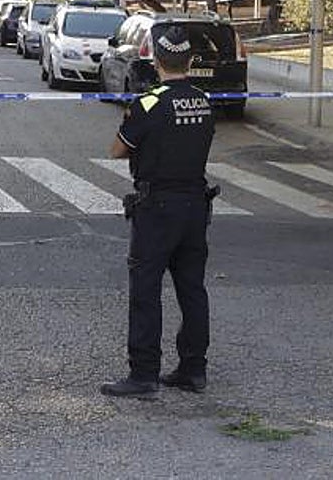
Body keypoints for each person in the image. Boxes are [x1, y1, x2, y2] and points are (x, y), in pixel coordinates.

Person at [100, 25, 215, 398]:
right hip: (196, 206)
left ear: (155, 60)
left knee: (146, 291)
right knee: (192, 289)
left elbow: (117, 150)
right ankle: (194, 369)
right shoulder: (203, 99)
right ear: (190, 61)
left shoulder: (149, 103)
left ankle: (144, 374)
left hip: (157, 208)